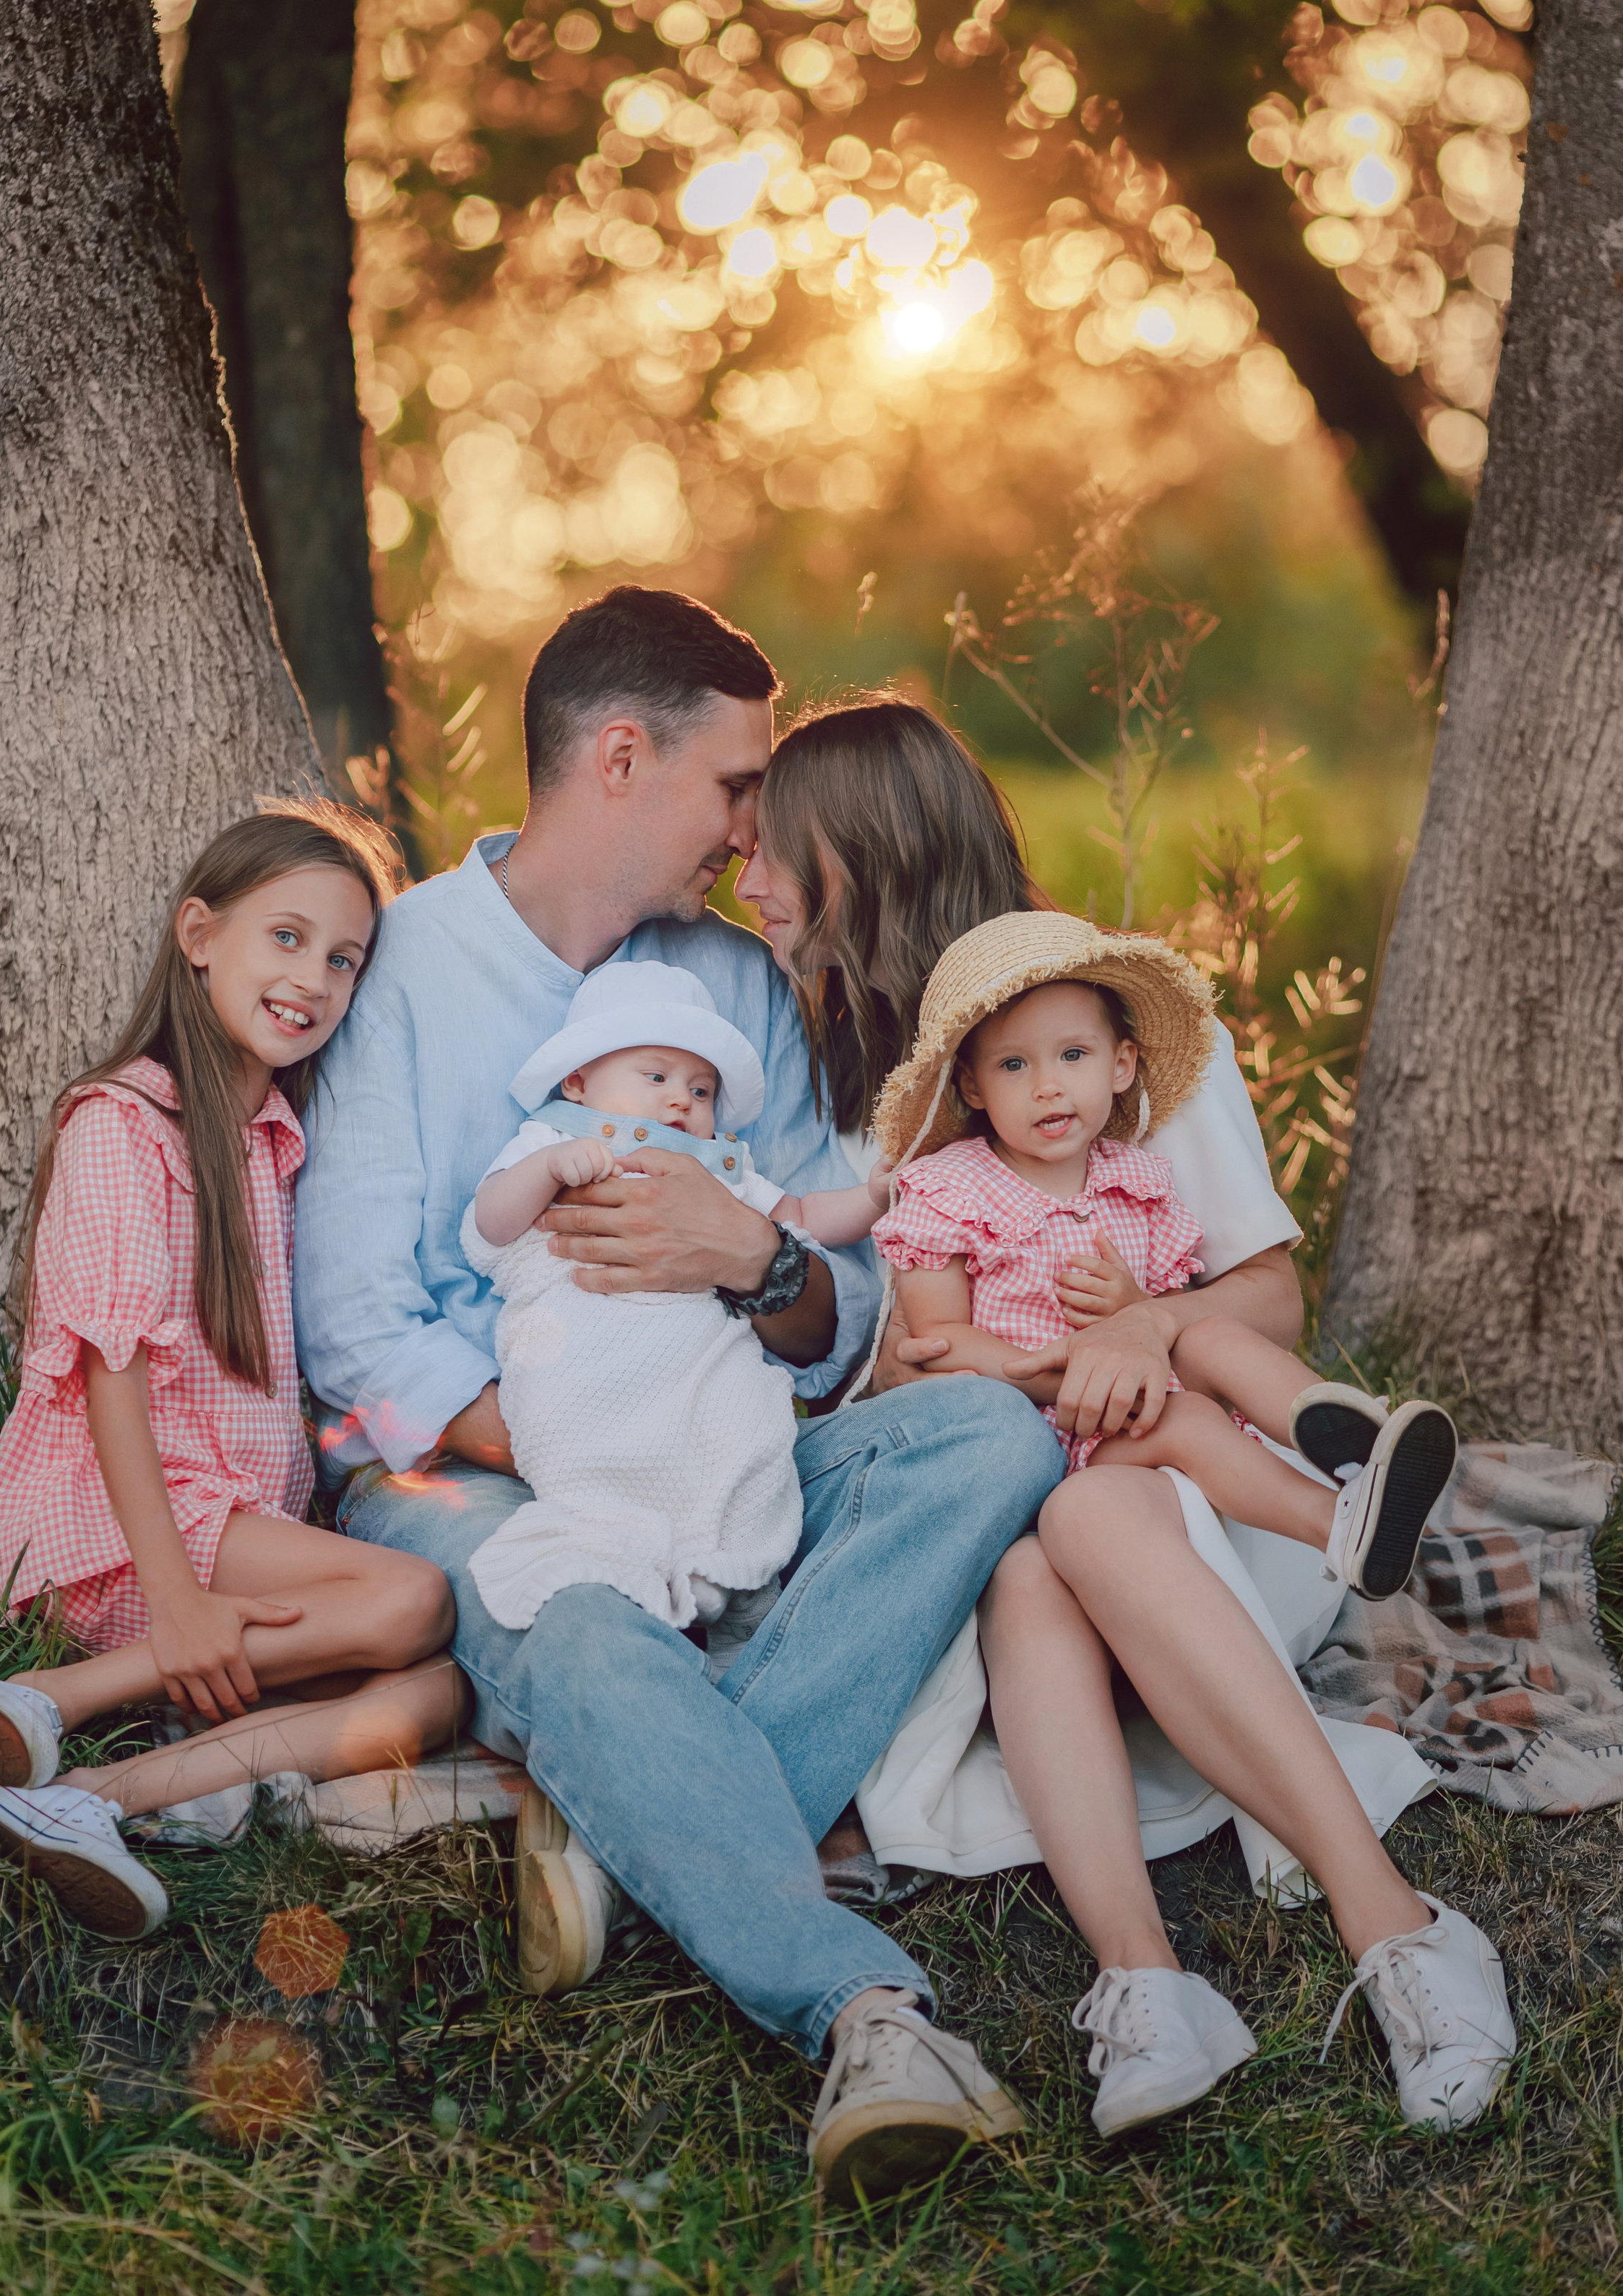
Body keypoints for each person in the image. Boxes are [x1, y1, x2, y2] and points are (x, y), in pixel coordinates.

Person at [296, 588, 1067, 2206]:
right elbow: (358, 1327)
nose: (748, 831)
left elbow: (839, 1308)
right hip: (489, 1461)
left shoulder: (724, 982)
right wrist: (590, 1450)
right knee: (575, 1607)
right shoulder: (408, 962)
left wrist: (754, 1261)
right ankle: (865, 2007)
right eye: (734, 786)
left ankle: (609, 1816)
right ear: (621, 756)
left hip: (733, 1441)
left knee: (984, 1433)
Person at [739, 700, 1515, 2138]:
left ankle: (1395, 1927)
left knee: (1085, 1510)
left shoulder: (1108, 1030)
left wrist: (1141, 1329)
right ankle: (1146, 1986)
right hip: (990, 1527)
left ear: (862, 854)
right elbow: (898, 1354)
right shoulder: (856, 1089)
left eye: (770, 849)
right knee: (1040, 1539)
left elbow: (1260, 1298)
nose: (747, 881)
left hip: (1181, 1487)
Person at [0, 805, 462, 1940]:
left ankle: (87, 1799)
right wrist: (176, 1604)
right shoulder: (123, 1123)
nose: (312, 977)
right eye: (286, 937)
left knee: (438, 1689)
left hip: (219, 1538)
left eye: (342, 958)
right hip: (119, 1532)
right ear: (200, 933)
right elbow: (107, 1376)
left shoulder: (269, 1137)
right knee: (410, 1597)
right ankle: (45, 1701)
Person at [869, 914, 1459, 1599]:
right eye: (1013, 1065)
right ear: (972, 1088)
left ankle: (1373, 1448)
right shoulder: (951, 1188)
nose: (1048, 1086)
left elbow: (1163, 1325)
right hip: (1050, 1431)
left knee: (1209, 1332)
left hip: (1135, 1393)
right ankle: (1336, 1524)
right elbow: (936, 1343)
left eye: (1072, 1056)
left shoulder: (1138, 1181)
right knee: (1191, 1421)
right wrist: (1062, 1373)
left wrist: (1136, 1313)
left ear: (1121, 1065)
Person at [466, 960, 891, 1639]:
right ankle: (613, 1545)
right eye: (657, 1077)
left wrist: (870, 1198)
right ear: (578, 1081)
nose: (681, 1102)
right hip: (584, 1345)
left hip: (696, 1354)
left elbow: (801, 1214)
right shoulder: (550, 1139)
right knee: (580, 1425)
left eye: (701, 1088)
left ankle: (726, 1564)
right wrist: (546, 1171)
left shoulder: (723, 1167)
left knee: (744, 1423)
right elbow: (490, 1224)